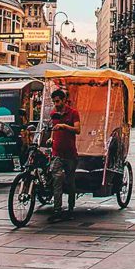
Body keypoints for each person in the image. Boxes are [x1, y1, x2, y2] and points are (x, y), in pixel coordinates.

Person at [47, 88, 80, 221]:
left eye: (58, 101)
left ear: (64, 100)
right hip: (57, 153)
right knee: (57, 181)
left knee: (70, 182)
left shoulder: (73, 113)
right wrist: (51, 137)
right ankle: (57, 210)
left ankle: (71, 208)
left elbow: (78, 130)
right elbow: (54, 129)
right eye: (54, 101)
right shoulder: (53, 113)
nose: (56, 104)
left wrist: (64, 126)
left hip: (70, 153)